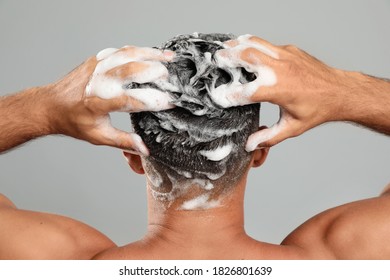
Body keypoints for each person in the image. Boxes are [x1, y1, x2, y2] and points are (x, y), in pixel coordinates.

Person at [0, 33, 389, 259]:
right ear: (260, 151)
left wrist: (46, 107)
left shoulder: (52, 259)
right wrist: (342, 90)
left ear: (135, 157)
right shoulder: (344, 255)